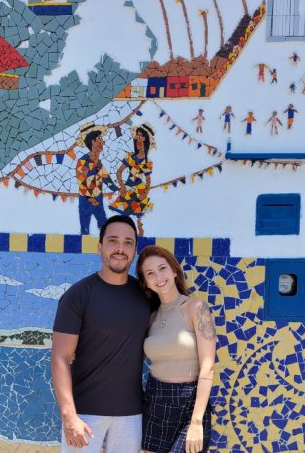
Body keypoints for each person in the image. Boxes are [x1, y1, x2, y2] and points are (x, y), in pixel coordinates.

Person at [51, 215, 151, 453]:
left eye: (128, 243)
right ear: (100, 247)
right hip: (84, 415)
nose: (120, 248)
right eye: (113, 241)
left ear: (135, 250)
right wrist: (69, 416)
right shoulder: (78, 295)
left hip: (131, 416)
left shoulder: (146, 297)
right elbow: (60, 357)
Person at [136, 245, 216, 453]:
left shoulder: (196, 308)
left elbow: (208, 367)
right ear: (146, 282)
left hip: (190, 403)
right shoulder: (150, 317)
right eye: (150, 273)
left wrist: (196, 422)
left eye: (162, 268)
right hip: (155, 400)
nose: (158, 277)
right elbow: (130, 357)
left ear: (174, 270)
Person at [109, 124, 155, 236]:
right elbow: (119, 172)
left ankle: (139, 236)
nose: (138, 139)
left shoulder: (147, 161)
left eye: (141, 136)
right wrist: (122, 186)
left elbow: (148, 180)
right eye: (137, 136)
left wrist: (145, 193)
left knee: (139, 218)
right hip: (128, 187)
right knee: (124, 216)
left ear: (146, 140)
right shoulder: (130, 156)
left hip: (140, 189)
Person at [75, 122, 119, 235]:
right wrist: (90, 198)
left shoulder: (98, 163)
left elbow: (106, 178)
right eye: (99, 138)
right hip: (86, 201)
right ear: (92, 142)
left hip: (98, 199)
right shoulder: (83, 161)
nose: (102, 141)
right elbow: (81, 182)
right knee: (85, 228)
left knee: (103, 225)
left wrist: (117, 189)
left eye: (101, 138)